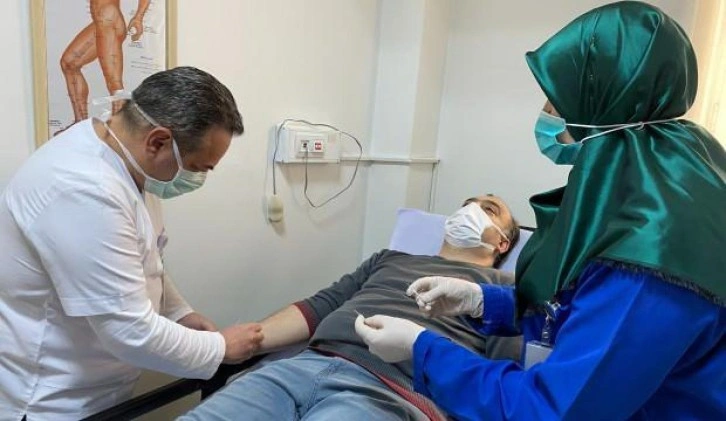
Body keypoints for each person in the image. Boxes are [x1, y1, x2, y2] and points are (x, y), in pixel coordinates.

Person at [354, 2, 726, 420]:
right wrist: (484, 302)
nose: (546, 112)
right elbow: (585, 304)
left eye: (556, 99)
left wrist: (422, 349)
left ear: (603, 102)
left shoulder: (653, 246)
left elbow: (552, 411)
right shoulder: (665, 174)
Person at [0, 66, 263, 420]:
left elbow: (147, 256)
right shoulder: (84, 189)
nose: (197, 177)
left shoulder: (126, 160)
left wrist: (179, 312)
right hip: (52, 402)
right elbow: (127, 331)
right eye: (197, 167)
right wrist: (220, 348)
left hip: (100, 388)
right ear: (158, 141)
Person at [180, 196, 522, 421]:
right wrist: (231, 345)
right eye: (467, 204)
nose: (470, 209)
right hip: (304, 365)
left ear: (503, 242)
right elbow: (320, 307)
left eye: (489, 209)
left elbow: (497, 379)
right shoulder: (391, 259)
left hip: (393, 393)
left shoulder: (505, 291)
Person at [60, 0, 149, 128]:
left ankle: (118, 130)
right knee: (69, 63)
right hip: (100, 21)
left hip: (109, 19)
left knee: (114, 84)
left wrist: (138, 17)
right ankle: (80, 124)